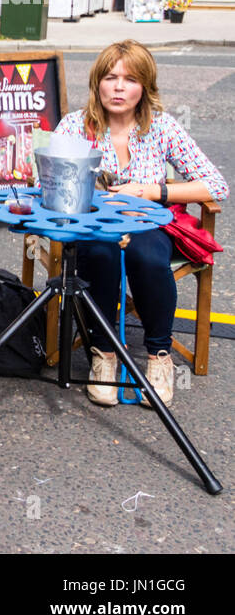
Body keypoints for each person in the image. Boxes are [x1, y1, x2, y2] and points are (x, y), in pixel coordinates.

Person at [54, 40, 228, 407]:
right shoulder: (74, 125)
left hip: (148, 224)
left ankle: (158, 357)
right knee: (99, 253)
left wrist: (151, 191)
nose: (118, 87)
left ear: (144, 87)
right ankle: (103, 355)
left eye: (130, 79)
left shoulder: (161, 127)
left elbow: (216, 185)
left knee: (147, 257)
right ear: (97, 82)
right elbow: (48, 184)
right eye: (110, 77)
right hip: (93, 226)